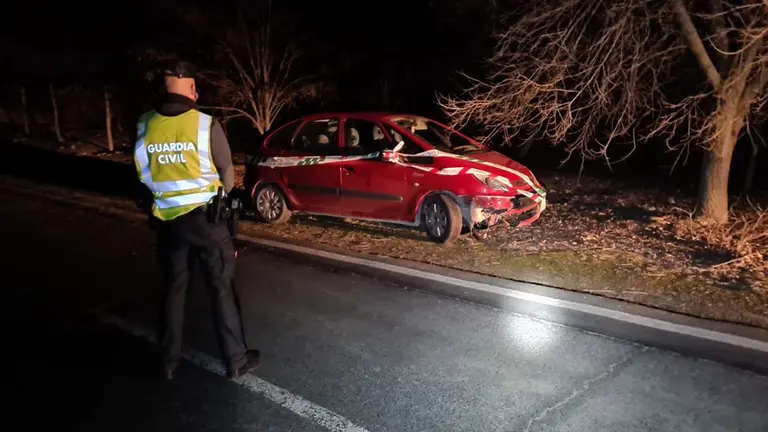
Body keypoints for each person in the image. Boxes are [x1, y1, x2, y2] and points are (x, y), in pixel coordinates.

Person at [133, 60, 260, 380]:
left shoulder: (145, 125)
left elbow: (141, 175)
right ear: (190, 89)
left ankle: (168, 361)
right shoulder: (204, 124)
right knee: (221, 288)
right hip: (207, 222)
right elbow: (227, 174)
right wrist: (218, 194)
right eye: (194, 86)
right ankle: (235, 361)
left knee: (173, 289)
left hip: (167, 223)